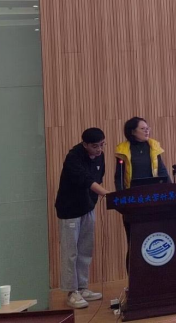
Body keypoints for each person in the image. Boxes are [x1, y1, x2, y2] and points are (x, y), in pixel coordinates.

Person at [55, 128, 111, 309]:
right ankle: (71, 292)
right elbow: (87, 180)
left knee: (85, 249)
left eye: (102, 145)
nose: (99, 149)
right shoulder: (74, 157)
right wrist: (107, 195)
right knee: (70, 252)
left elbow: (98, 178)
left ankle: (82, 287)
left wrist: (95, 199)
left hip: (87, 207)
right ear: (85, 144)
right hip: (70, 210)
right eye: (95, 146)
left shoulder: (100, 156)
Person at [114, 117, 171, 272]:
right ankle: (134, 279)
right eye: (143, 129)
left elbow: (163, 172)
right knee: (135, 241)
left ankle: (159, 275)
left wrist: (171, 192)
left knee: (158, 237)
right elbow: (119, 178)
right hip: (133, 203)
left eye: (148, 128)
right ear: (133, 131)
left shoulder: (153, 147)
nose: (147, 131)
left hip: (154, 201)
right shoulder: (123, 150)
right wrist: (122, 201)